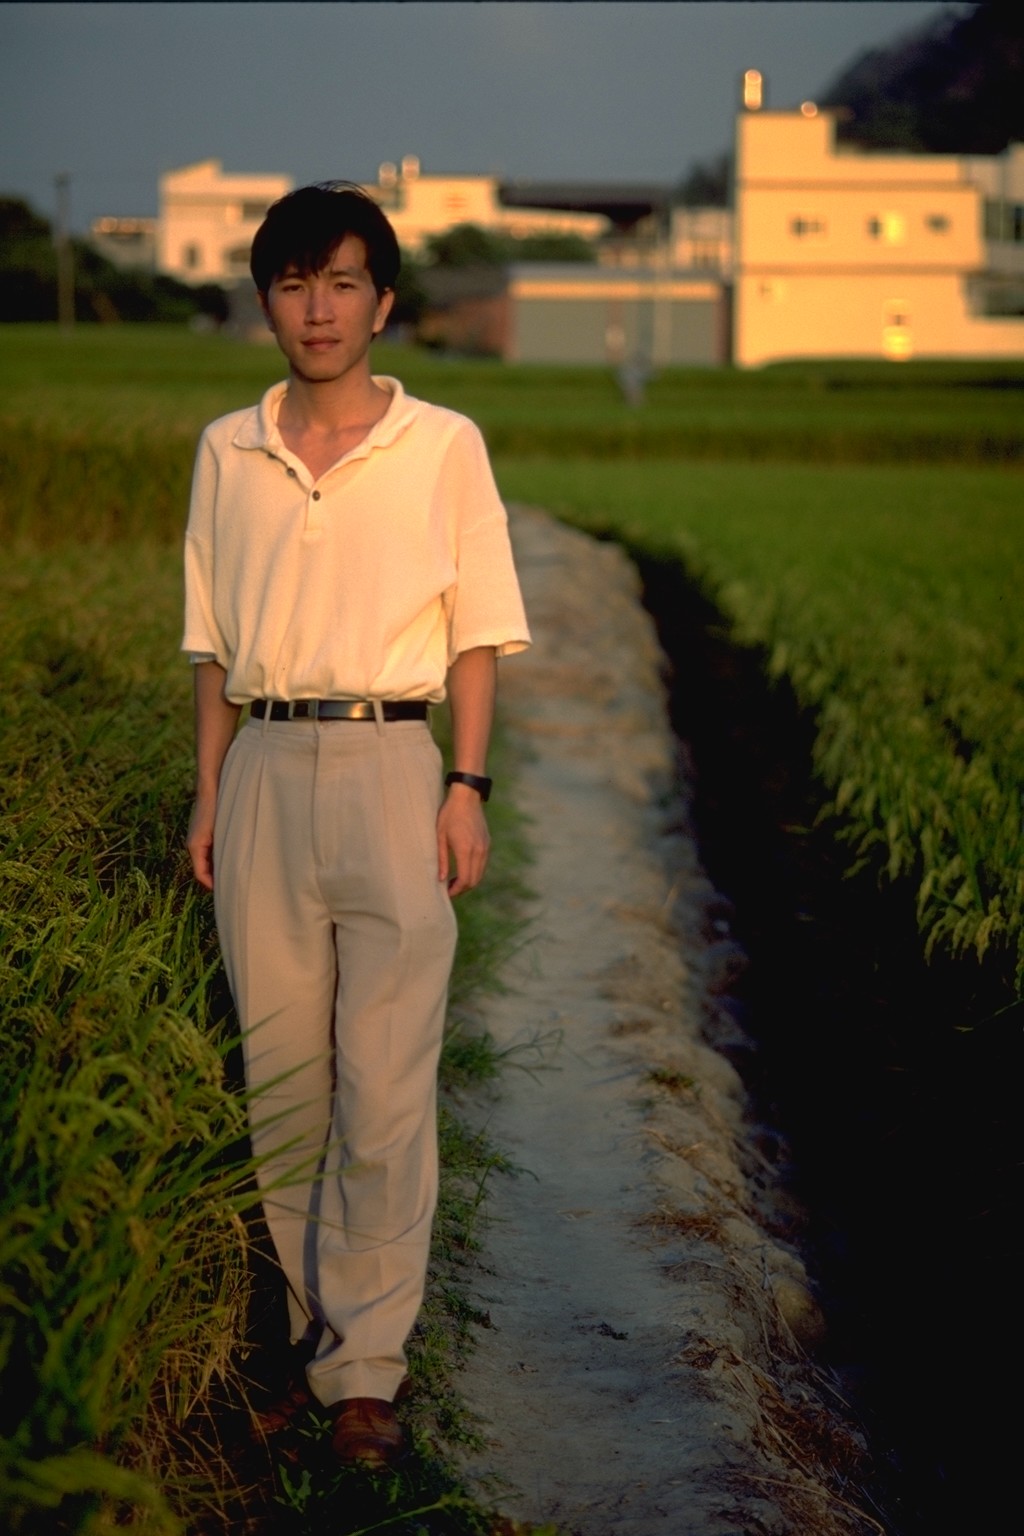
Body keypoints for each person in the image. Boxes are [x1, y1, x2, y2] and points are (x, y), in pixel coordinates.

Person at [182, 182, 530, 1468]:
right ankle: (305, 1340)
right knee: (284, 1086)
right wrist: (212, 791)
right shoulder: (228, 447)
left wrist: (467, 787)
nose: (315, 308)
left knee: (385, 1083)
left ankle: (365, 1375)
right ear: (264, 298)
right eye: (290, 282)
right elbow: (210, 649)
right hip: (265, 763)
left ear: (383, 301)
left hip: (396, 766)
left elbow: (480, 631)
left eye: (340, 282)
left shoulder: (442, 444)